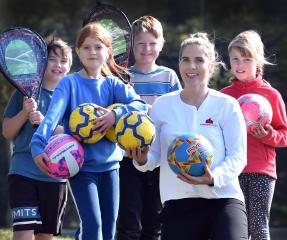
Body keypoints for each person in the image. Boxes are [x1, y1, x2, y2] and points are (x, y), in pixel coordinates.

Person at [126, 32, 248, 240]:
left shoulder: (227, 105)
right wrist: (142, 159)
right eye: (186, 60)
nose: (191, 67)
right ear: (179, 64)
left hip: (223, 198)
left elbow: (238, 157)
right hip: (178, 201)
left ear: (211, 66)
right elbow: (154, 157)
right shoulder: (163, 105)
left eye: (199, 60)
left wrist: (213, 178)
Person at [31, 22, 147, 240]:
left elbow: (139, 105)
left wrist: (115, 114)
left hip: (111, 168)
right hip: (81, 169)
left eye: (98, 47)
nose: (92, 52)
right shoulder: (68, 84)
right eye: (86, 47)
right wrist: (38, 144)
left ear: (108, 51)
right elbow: (51, 118)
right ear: (78, 51)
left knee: (109, 230)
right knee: (93, 226)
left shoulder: (113, 84)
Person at [220, 30, 287, 240]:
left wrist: (267, 135)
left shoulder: (271, 95)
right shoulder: (224, 96)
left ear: (258, 61)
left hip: (262, 172)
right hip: (232, 171)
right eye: (235, 59)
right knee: (235, 230)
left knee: (259, 229)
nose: (240, 64)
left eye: (246, 59)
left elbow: (285, 136)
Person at [116, 16, 181, 240]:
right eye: (140, 44)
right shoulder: (123, 77)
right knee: (128, 219)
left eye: (152, 43)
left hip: (159, 158)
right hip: (127, 157)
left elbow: (177, 111)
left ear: (161, 44)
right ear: (131, 46)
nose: (146, 49)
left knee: (154, 221)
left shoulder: (169, 76)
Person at [2, 37, 72, 240]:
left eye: (63, 61)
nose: (58, 65)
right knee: (22, 235)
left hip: (55, 176)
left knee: (45, 237)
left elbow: (74, 136)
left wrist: (46, 125)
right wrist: (24, 113)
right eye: (52, 59)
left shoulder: (71, 96)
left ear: (69, 66)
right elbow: (7, 132)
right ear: (41, 62)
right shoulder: (23, 92)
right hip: (23, 173)